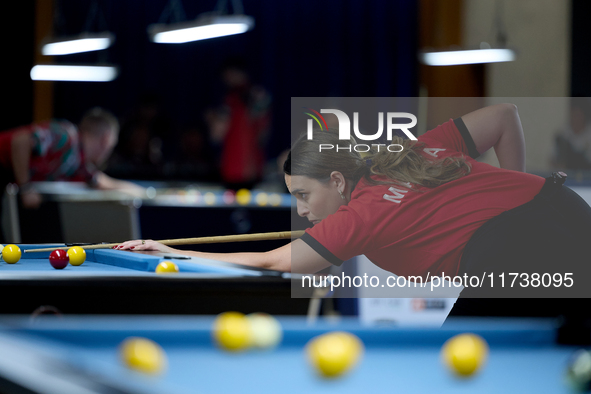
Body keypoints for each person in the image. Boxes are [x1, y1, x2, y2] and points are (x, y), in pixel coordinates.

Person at [115, 104, 591, 317]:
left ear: (338, 181)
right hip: (565, 210)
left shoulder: (359, 215)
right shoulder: (410, 153)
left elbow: (275, 261)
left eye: (304, 195)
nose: (301, 210)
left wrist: (170, 251)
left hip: (511, 253)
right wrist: (517, 187)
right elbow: (505, 115)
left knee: (465, 361)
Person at [0, 107, 143, 241]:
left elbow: (105, 183)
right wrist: (26, 187)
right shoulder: (65, 135)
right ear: (106, 139)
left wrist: (146, 193)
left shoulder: (80, 164)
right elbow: (20, 140)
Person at [205, 56, 271, 190]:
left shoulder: (257, 96)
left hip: (250, 171)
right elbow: (216, 136)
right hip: (232, 171)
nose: (227, 79)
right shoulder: (228, 100)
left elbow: (263, 134)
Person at [552, 97, 591, 170]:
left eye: (579, 115)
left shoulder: (589, 135)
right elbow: (552, 160)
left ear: (584, 116)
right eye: (574, 115)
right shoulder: (562, 135)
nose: (576, 119)